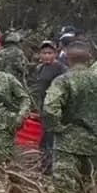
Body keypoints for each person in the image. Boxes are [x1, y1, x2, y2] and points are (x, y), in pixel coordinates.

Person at [42, 42, 97, 193]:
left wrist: (57, 128)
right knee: (89, 185)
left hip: (68, 143)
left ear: (67, 59)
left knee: (66, 188)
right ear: (90, 59)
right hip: (96, 144)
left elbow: (50, 109)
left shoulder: (63, 80)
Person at [33, 40, 68, 173]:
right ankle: (45, 163)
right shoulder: (40, 68)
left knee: (51, 138)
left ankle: (51, 167)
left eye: (50, 53)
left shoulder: (61, 69)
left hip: (55, 109)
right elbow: (38, 88)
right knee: (44, 138)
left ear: (55, 53)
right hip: (43, 107)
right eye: (44, 53)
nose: (46, 55)